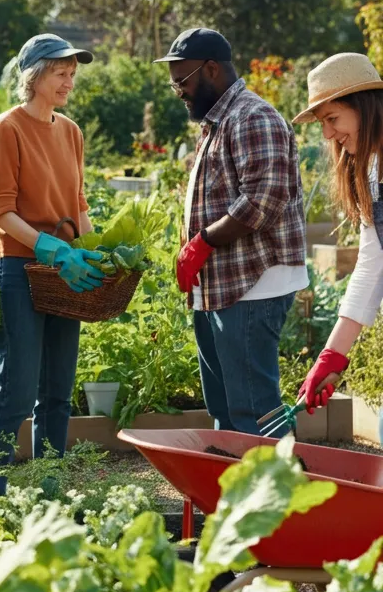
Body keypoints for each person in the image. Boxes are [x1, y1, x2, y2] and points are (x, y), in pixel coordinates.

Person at [156, 27, 307, 434]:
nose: (179, 91)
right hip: (222, 287)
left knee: (254, 412)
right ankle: (236, 496)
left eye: (182, 81)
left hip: (254, 286)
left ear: (212, 70)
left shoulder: (252, 117)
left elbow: (263, 201)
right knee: (224, 408)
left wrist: (202, 242)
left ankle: (275, 497)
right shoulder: (218, 122)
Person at [0, 34, 105, 501]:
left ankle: (50, 492)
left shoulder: (70, 131)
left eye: (73, 73)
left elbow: (79, 203)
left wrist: (91, 249)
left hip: (65, 271)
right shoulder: (5, 130)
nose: (70, 81)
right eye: (61, 73)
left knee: (56, 389)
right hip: (20, 267)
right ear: (34, 77)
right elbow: (1, 213)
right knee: (14, 388)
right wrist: (51, 248)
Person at [291, 53, 383, 427]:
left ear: (364, 107)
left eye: (332, 118)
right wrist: (331, 357)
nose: (328, 134)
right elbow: (370, 268)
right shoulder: (373, 174)